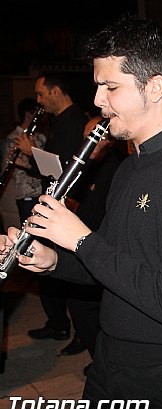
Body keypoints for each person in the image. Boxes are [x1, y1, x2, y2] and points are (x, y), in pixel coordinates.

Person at [0, 16, 162, 409]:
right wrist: (52, 260)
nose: (97, 100)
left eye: (110, 86)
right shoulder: (130, 166)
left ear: (155, 87)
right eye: (97, 86)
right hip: (110, 361)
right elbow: (109, 263)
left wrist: (80, 240)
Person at [18, 73, 88, 352]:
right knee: (47, 266)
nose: (39, 100)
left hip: (70, 206)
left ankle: (80, 332)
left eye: (41, 94)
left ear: (56, 91)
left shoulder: (76, 121)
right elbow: (52, 168)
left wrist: (32, 151)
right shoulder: (58, 122)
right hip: (55, 201)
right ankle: (57, 322)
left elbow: (67, 169)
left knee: (70, 270)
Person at [64, 115, 124, 372]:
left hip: (100, 245)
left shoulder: (115, 166)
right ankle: (99, 357)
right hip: (77, 241)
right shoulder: (84, 163)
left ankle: (106, 361)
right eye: (86, 135)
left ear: (108, 141)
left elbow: (106, 214)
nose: (87, 141)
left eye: (94, 136)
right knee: (79, 309)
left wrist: (74, 208)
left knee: (94, 311)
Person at [5, 97, 46, 223]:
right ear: (29, 115)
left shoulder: (41, 136)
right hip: (27, 195)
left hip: (43, 193)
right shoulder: (14, 138)